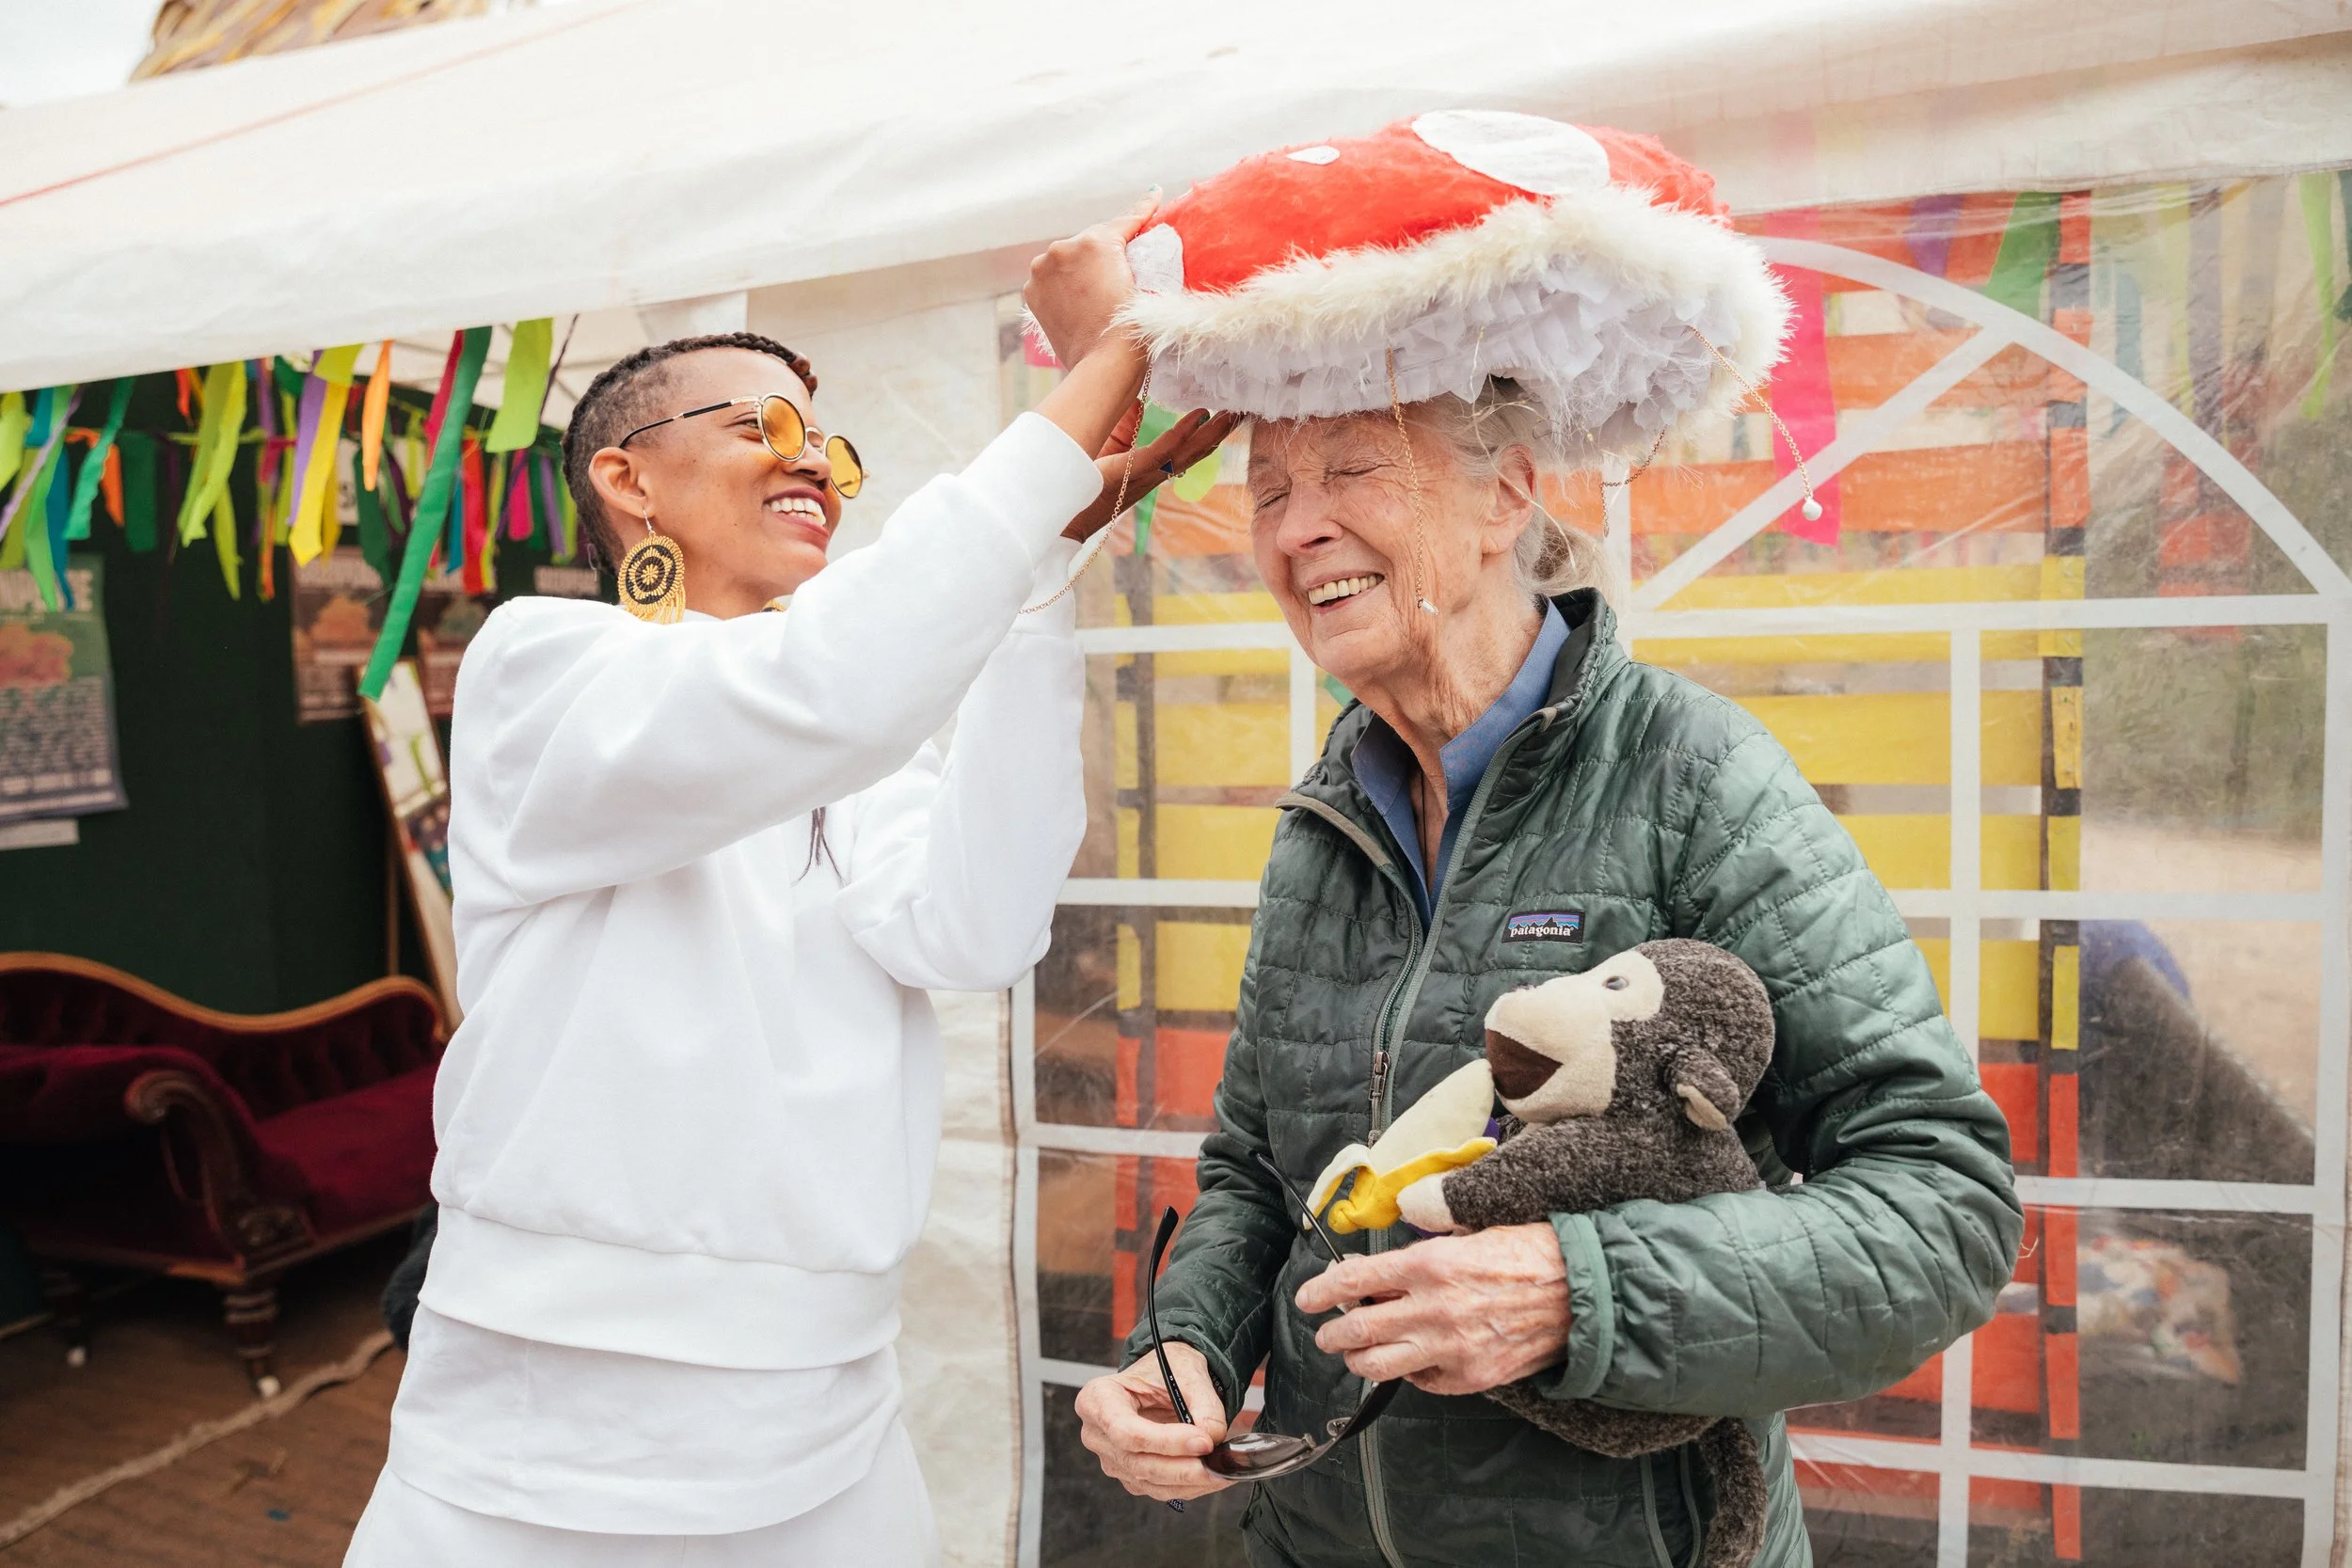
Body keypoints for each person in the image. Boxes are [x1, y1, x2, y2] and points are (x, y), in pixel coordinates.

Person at [1073, 113, 2023, 1564]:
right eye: (1268, 490)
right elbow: (1260, 1173)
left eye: (1352, 469)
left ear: (1506, 494)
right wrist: (1188, 1344)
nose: (1296, 528)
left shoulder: (1693, 776)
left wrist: (1582, 1288)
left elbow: (1941, 1204)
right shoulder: (1328, 816)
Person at [345, 202, 1233, 1567]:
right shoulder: (541, 673)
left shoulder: (850, 747)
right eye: (762, 425)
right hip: (553, 1427)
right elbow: (825, 687)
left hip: (828, 1410)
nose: (814, 460)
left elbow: (975, 928)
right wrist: (1108, 358)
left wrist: (1042, 567)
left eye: (830, 443)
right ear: (629, 479)